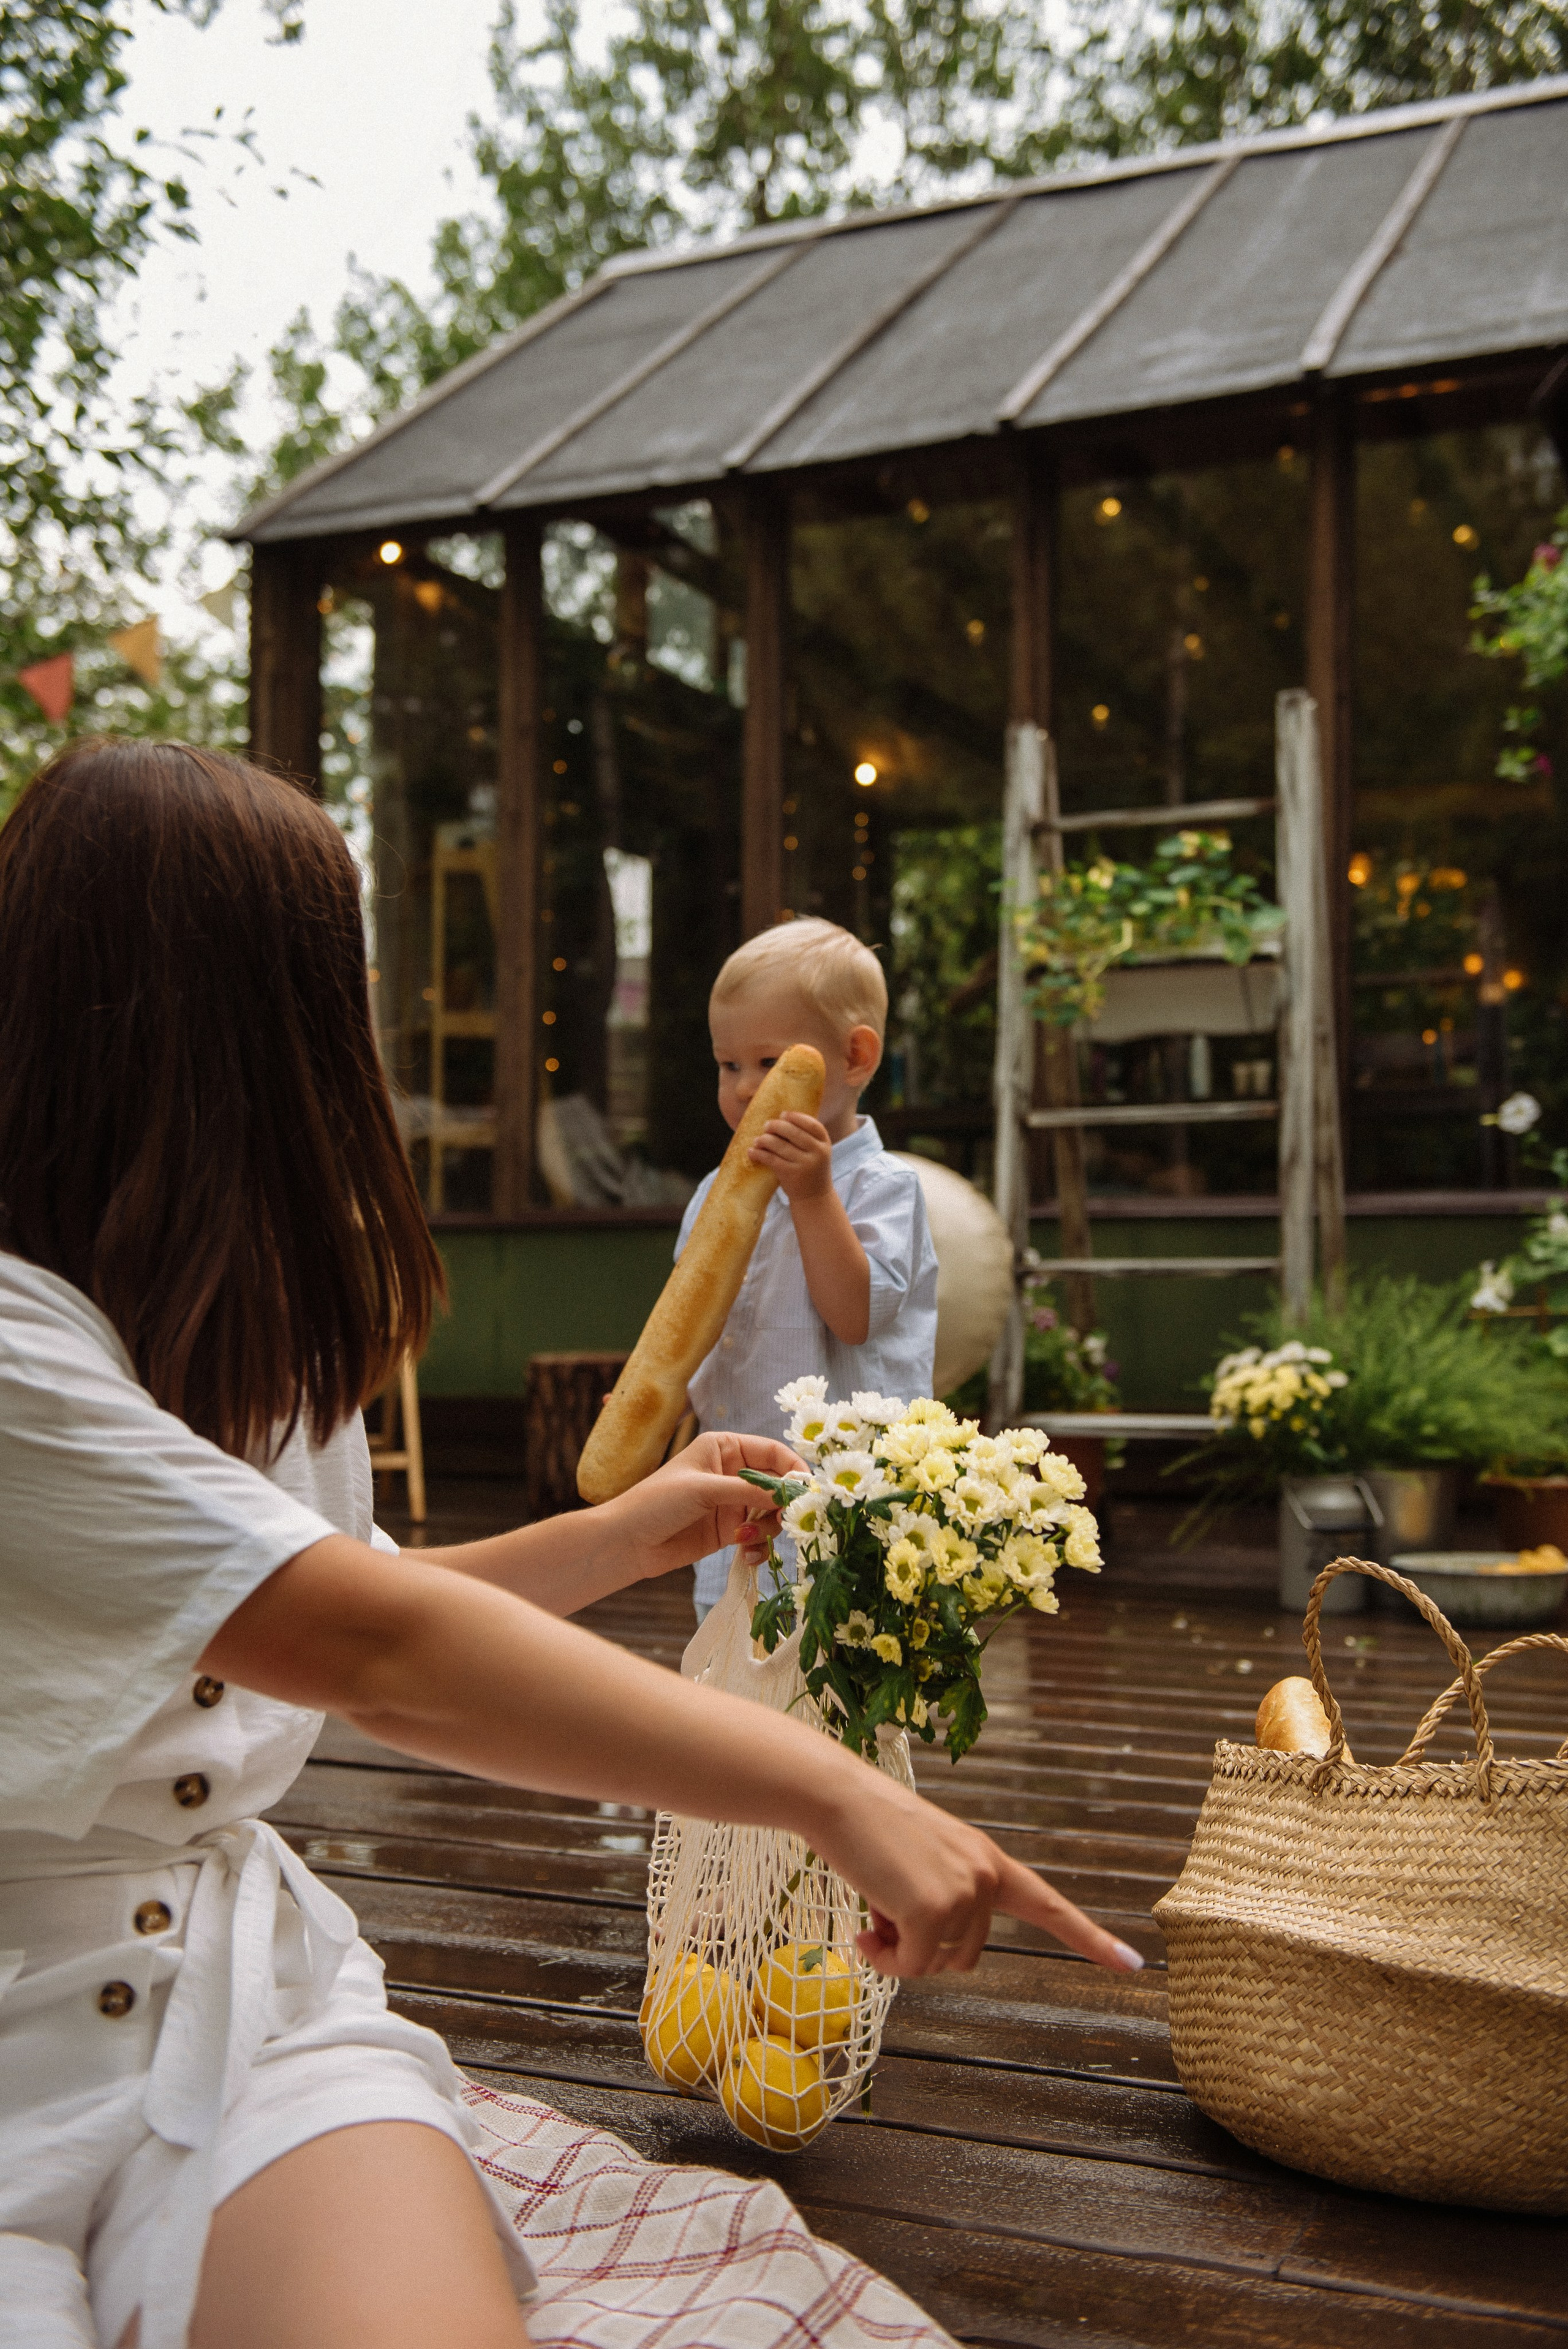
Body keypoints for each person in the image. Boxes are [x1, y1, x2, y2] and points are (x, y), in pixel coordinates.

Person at [0, 742, 1141, 2349]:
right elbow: (359, 1646)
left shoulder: (236, 1311)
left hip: (226, 1983)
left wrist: (623, 1530)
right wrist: (833, 1784)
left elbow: (341, 1608)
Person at [680, 918, 938, 1622]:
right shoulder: (713, 1193)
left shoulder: (884, 1188)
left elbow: (854, 1314)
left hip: (842, 1510)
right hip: (736, 1510)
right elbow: (696, 1324)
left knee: (834, 1695)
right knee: (730, 1669)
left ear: (855, 1057)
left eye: (767, 1063)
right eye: (728, 1065)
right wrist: (664, 1401)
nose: (742, 1088)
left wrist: (813, 1195)